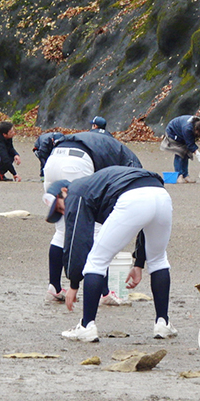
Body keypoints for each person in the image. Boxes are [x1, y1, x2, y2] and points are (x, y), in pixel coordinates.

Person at [44, 166, 175, 342]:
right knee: (158, 259)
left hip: (133, 196)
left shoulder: (75, 191)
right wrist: (138, 264)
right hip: (160, 193)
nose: (64, 212)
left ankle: (86, 326)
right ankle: (163, 323)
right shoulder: (95, 186)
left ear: (63, 191)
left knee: (96, 261)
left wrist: (74, 284)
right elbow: (144, 222)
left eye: (60, 208)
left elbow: (78, 240)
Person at [42, 130, 142, 303]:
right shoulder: (131, 163)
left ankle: (54, 287)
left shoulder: (101, 143)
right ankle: (104, 293)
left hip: (53, 160)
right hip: (77, 163)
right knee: (95, 228)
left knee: (62, 229)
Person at [160, 115, 200, 183]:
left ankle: (185, 175)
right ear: (195, 129)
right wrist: (199, 157)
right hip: (174, 132)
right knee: (180, 152)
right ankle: (179, 175)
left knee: (186, 154)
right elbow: (190, 145)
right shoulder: (187, 128)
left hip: (183, 133)